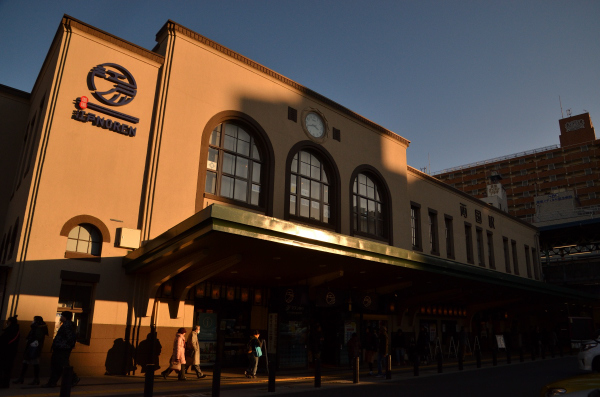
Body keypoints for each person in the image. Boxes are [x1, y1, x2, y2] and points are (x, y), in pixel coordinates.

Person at [43, 312, 79, 388]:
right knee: (59, 365)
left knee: (61, 365)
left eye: (62, 316)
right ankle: (53, 382)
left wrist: (66, 345)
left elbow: (69, 338)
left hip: (62, 349)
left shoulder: (67, 325)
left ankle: (73, 378)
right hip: (62, 348)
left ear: (65, 317)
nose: (60, 317)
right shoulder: (67, 325)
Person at [13, 316, 48, 385]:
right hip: (33, 347)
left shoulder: (39, 328)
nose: (33, 321)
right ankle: (23, 378)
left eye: (34, 320)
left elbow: (37, 337)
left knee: (34, 363)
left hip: (34, 348)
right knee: (26, 362)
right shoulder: (37, 327)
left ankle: (35, 379)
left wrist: (30, 340)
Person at [0, 316, 20, 388]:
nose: (7, 323)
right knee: (7, 369)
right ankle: (5, 383)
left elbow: (4, 341)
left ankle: (3, 383)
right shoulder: (16, 330)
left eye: (8, 321)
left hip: (6, 352)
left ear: (10, 322)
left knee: (4, 368)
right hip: (11, 352)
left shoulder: (10, 330)